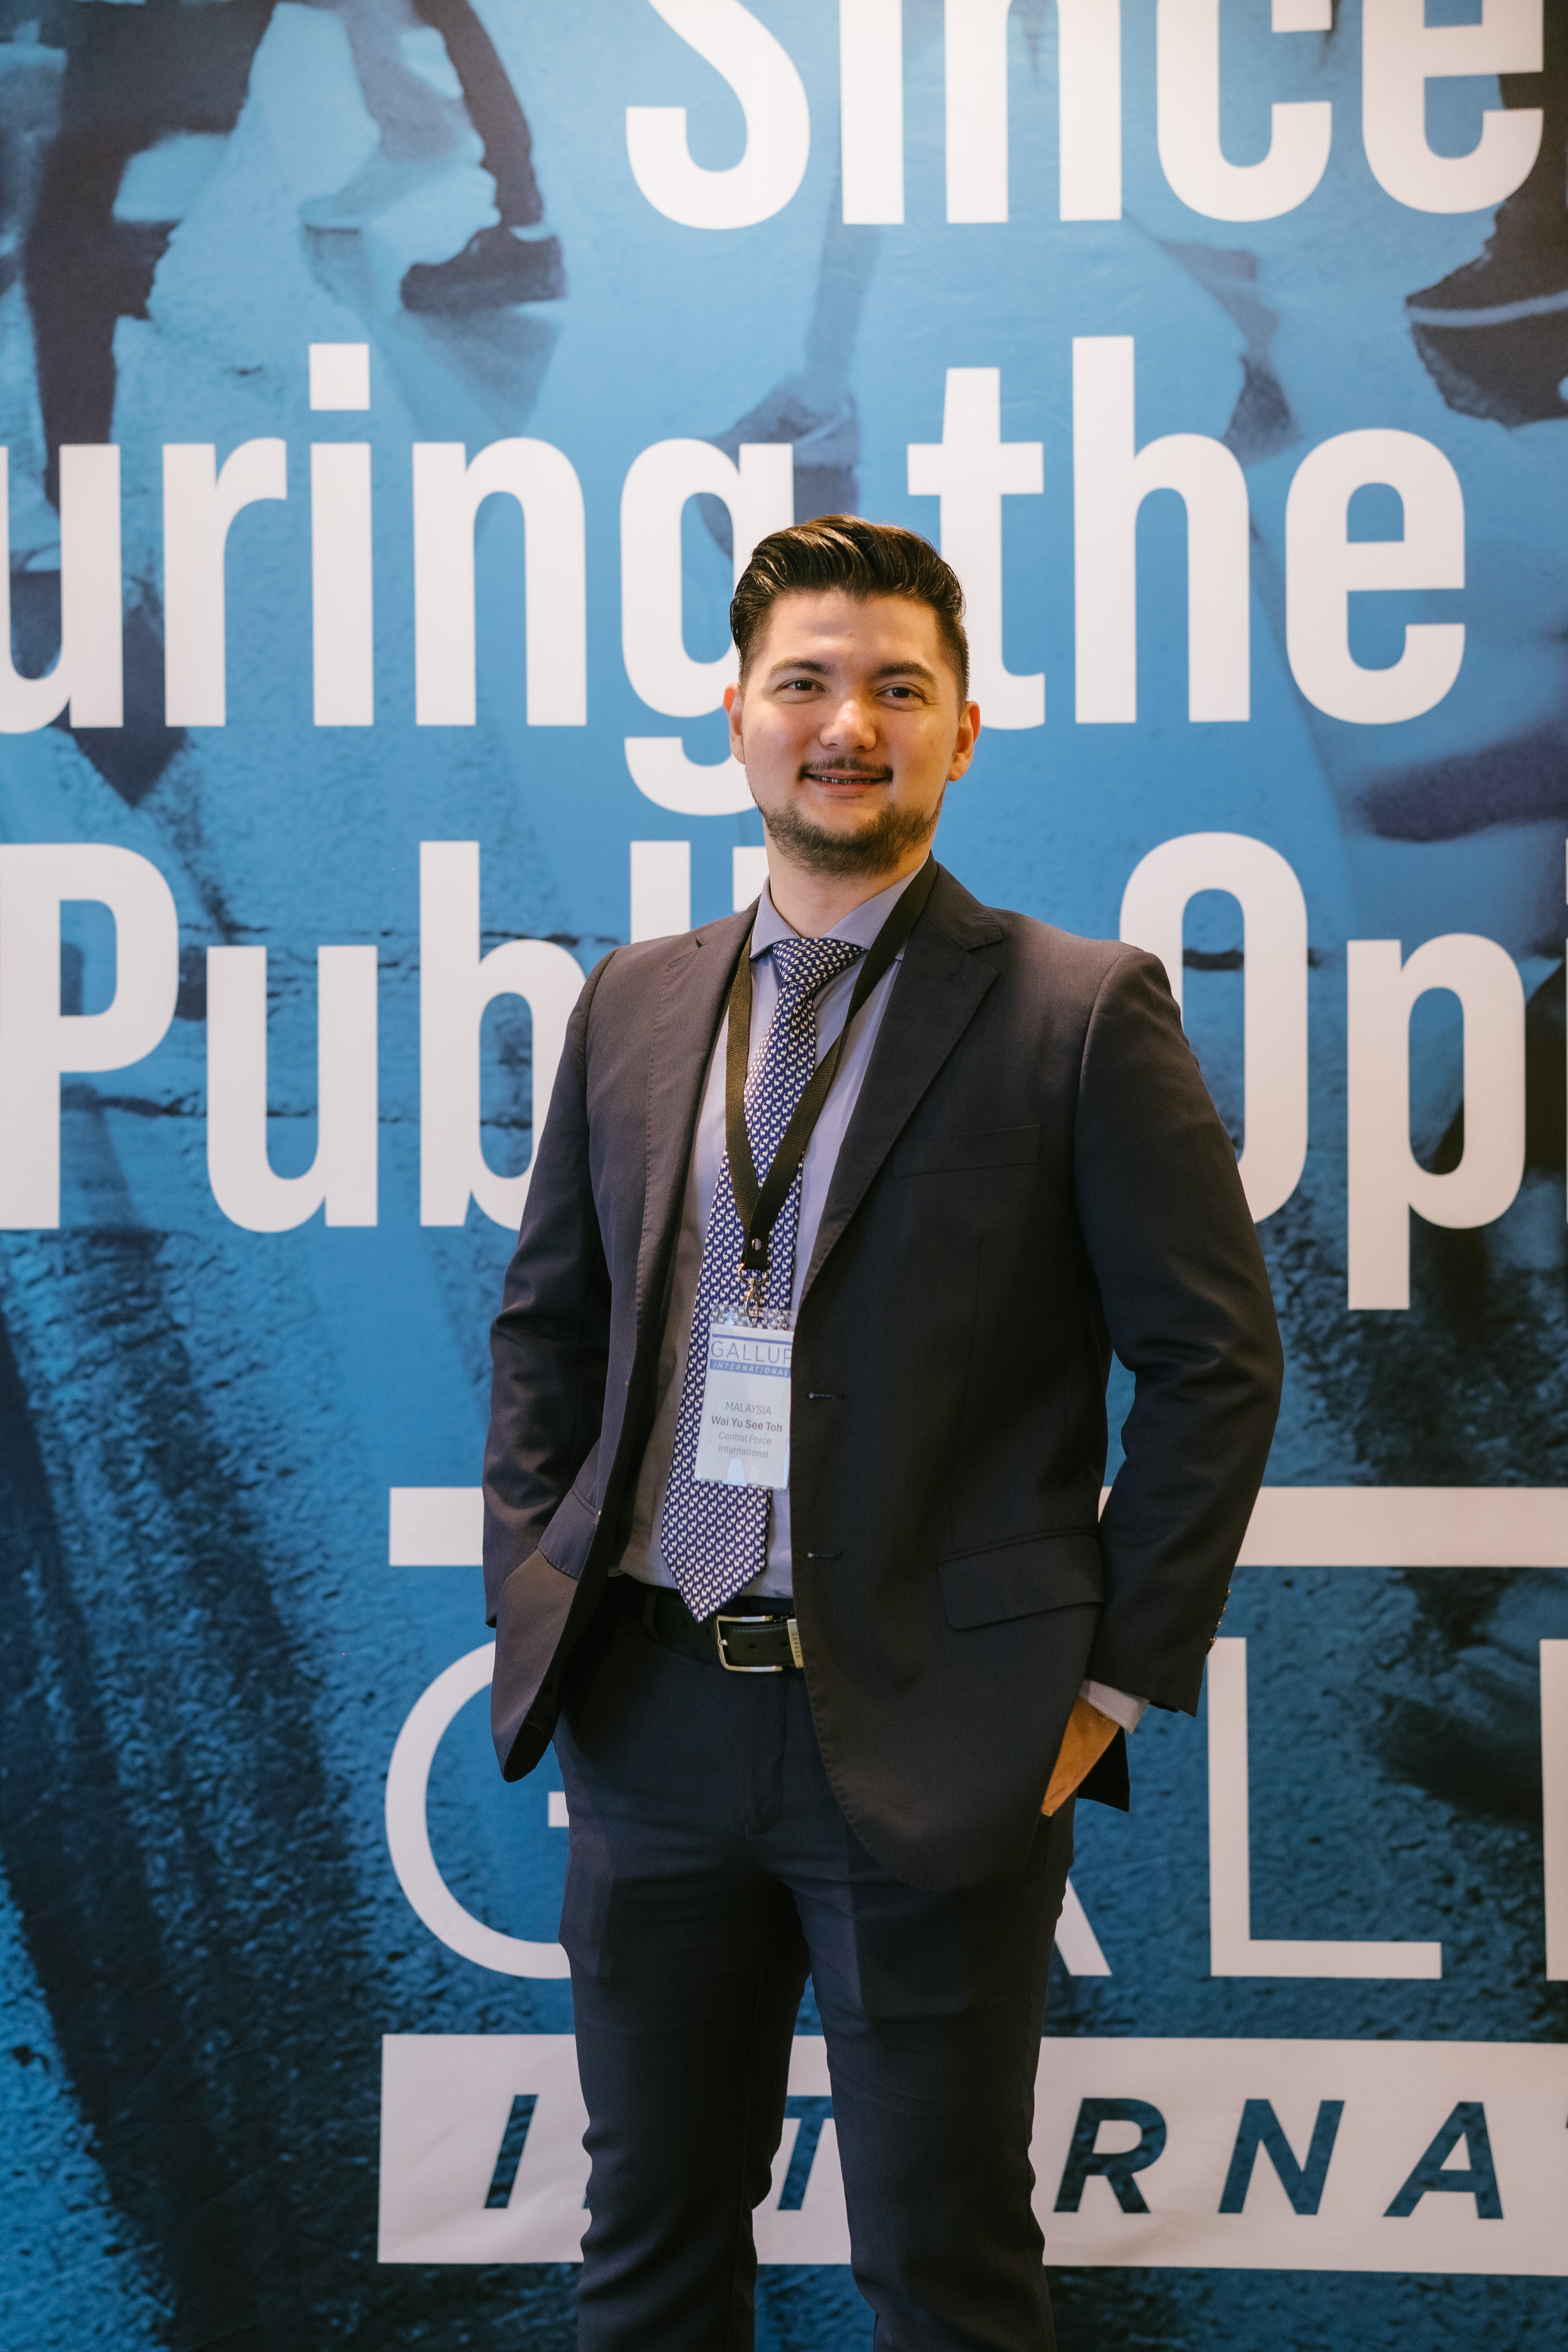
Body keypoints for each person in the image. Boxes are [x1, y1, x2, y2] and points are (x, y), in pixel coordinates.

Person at [481, 516, 1283, 2350]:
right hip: (654, 1714)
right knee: (644, 2259)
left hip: (935, 1730)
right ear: (736, 720)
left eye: (898, 689)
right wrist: (538, 1584)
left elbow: (1215, 1363)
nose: (850, 724)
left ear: (963, 731)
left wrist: (1102, 1691)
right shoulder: (633, 1000)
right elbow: (547, 1326)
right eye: (807, 684)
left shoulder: (1078, 1011)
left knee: (944, 2271)